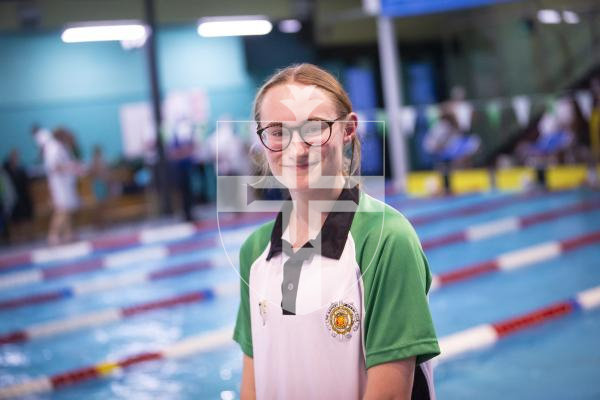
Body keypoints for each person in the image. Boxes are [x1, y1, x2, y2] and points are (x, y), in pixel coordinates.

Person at [233, 64, 440, 399]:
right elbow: (252, 384)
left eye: (314, 128)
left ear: (348, 129)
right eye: (276, 130)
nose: (296, 149)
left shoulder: (385, 240)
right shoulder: (254, 251)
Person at [33, 127, 81, 245]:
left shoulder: (59, 147)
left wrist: (71, 167)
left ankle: (68, 234)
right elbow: (55, 166)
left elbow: (62, 163)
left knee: (66, 209)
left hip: (64, 183)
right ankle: (52, 236)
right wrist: (71, 167)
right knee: (61, 210)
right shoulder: (54, 147)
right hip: (59, 184)